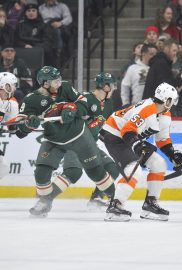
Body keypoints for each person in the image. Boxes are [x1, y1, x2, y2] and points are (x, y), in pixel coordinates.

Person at [16, 66, 115, 217]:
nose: (59, 82)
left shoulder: (66, 87)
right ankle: (44, 202)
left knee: (95, 171)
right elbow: (19, 131)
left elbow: (82, 102)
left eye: (59, 79)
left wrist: (73, 110)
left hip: (77, 136)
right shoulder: (31, 100)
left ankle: (117, 202)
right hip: (53, 138)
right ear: (45, 83)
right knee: (41, 172)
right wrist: (29, 124)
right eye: (55, 81)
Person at [102, 82, 182, 222]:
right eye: (173, 100)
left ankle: (150, 204)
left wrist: (173, 155)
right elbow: (127, 131)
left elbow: (162, 140)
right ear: (168, 100)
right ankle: (115, 206)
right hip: (114, 134)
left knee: (159, 164)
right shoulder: (147, 109)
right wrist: (137, 145)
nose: (173, 104)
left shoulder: (165, 114)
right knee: (134, 169)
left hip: (129, 137)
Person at [54, 72, 120, 209]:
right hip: (75, 144)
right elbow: (69, 117)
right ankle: (44, 199)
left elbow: (101, 127)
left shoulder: (108, 104)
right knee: (72, 172)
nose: (114, 88)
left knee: (112, 169)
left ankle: (97, 197)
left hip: (90, 146)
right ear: (106, 86)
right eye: (112, 85)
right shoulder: (84, 99)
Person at [0, 72, 18, 179]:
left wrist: (25, 123)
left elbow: (12, 128)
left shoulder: (12, 103)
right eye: (13, 85)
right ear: (5, 86)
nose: (15, 88)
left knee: (3, 167)